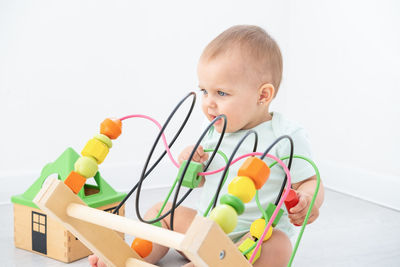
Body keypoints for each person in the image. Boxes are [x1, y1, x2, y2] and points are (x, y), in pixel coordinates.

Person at [89, 25, 325, 267]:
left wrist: (308, 199)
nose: (209, 103)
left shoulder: (285, 137)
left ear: (263, 96)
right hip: (206, 229)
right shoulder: (212, 129)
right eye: (204, 91)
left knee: (279, 245)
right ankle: (132, 255)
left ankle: (213, 262)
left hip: (252, 238)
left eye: (221, 93)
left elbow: (310, 181)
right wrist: (191, 162)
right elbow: (200, 180)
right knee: (163, 211)